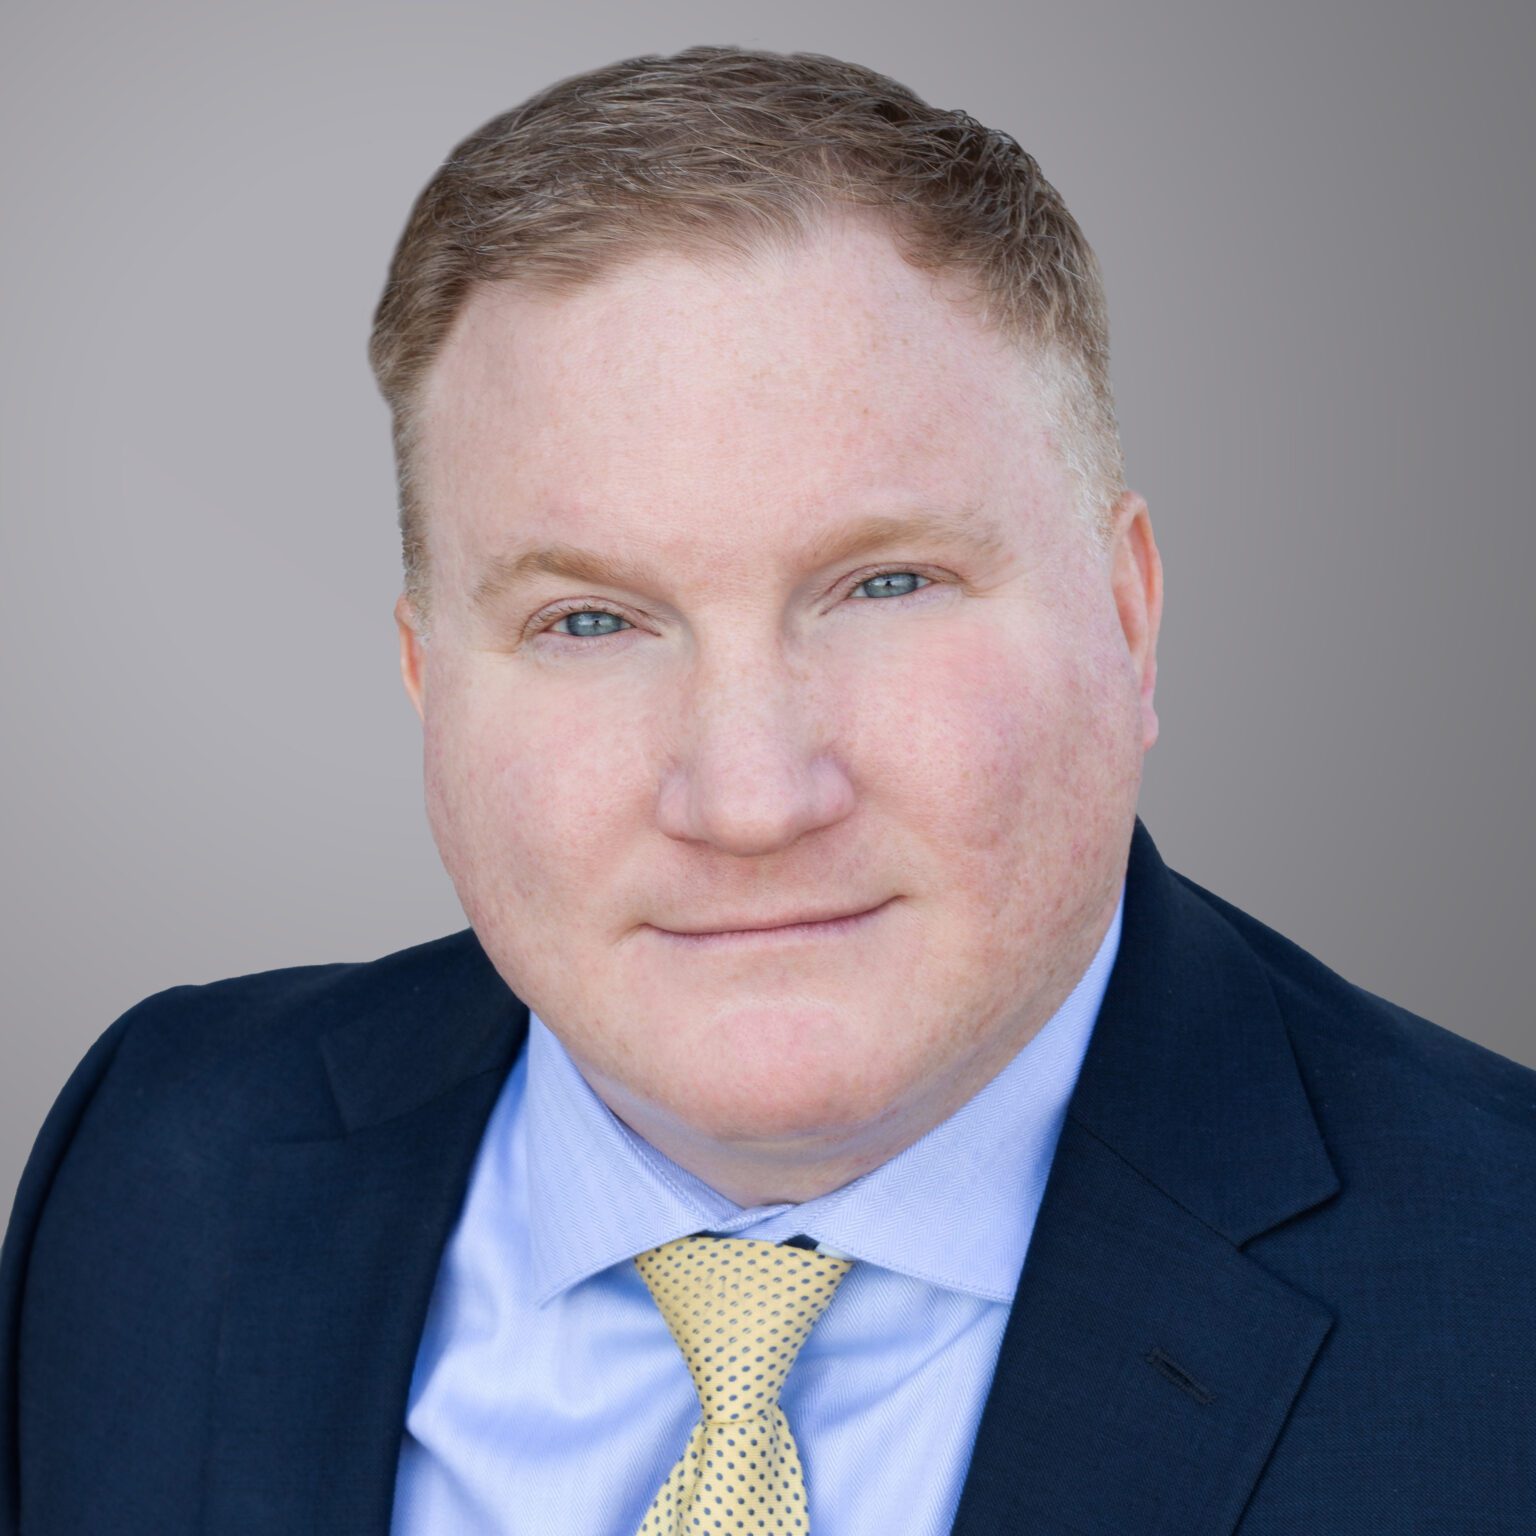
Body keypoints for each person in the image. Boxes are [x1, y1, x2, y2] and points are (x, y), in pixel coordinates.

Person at [2, 42, 1532, 1536]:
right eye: (588, 621)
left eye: (885, 585)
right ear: (426, 682)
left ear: (1127, 621)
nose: (750, 801)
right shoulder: (160, 1158)